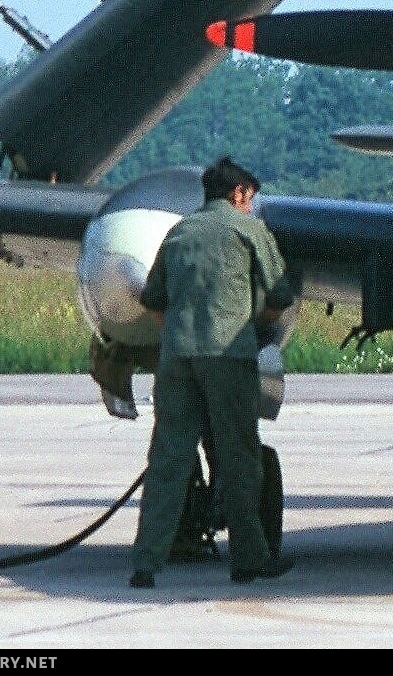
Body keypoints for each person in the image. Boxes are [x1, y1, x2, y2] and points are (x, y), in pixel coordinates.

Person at [129, 156, 295, 588]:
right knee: (238, 457)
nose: (249, 206)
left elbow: (151, 300)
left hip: (177, 359)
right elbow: (280, 296)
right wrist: (251, 319)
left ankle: (145, 565)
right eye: (249, 199)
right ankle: (249, 560)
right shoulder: (249, 230)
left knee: (167, 460)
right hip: (228, 358)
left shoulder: (179, 232)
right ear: (239, 194)